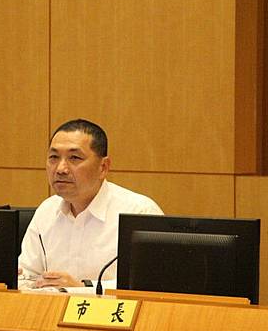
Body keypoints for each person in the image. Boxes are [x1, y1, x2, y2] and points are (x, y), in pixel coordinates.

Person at [18, 119, 163, 290]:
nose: (60, 169)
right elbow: (26, 276)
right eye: (54, 157)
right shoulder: (47, 210)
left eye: (74, 158)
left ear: (103, 167)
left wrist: (83, 288)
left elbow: (150, 285)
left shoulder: (139, 212)